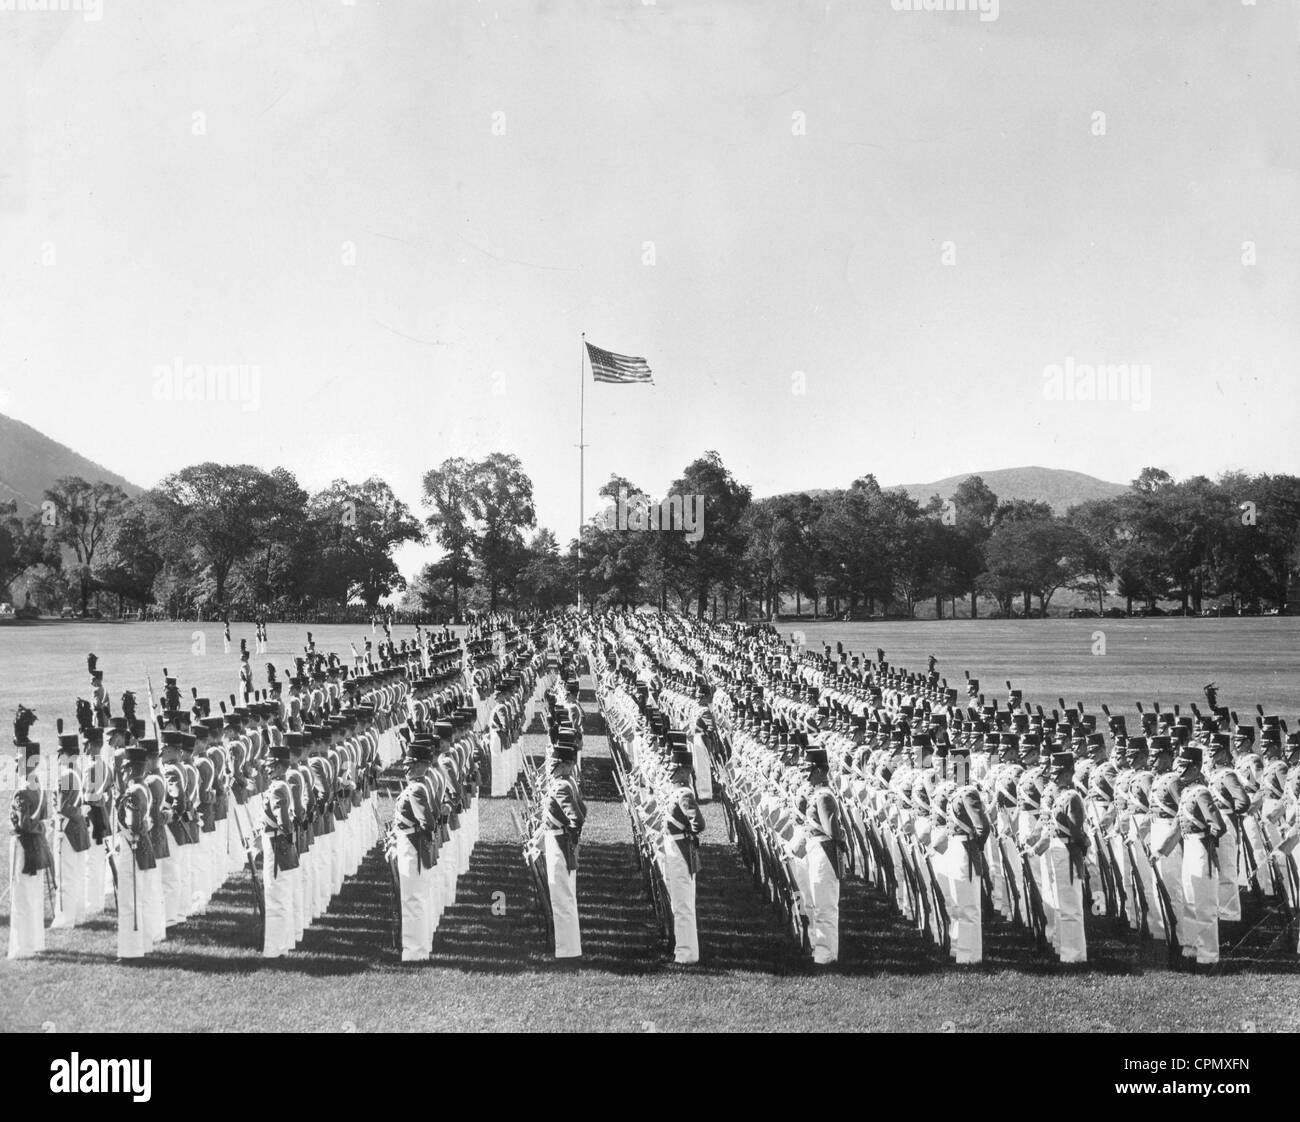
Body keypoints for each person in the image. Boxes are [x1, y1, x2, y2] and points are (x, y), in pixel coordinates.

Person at [1176, 745, 1227, 966]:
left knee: (1204, 903)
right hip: (1188, 846)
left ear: (1196, 768)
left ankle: (1208, 956)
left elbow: (1218, 825)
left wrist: (1210, 842)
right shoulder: (1187, 791)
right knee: (1189, 900)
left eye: (1185, 767)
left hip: (1200, 848)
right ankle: (1190, 948)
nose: (1180, 771)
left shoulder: (1201, 792)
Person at [8, 708, 51, 960]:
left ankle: (22, 948)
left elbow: (23, 824)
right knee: (33, 897)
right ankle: (35, 942)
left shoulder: (23, 791)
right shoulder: (38, 785)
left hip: (24, 846)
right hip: (37, 844)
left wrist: (14, 822)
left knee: (22, 898)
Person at [392, 736, 439, 962]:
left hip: (413, 846)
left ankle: (415, 952)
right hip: (413, 844)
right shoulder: (420, 785)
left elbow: (428, 822)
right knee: (416, 898)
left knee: (413, 900)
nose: (406, 768)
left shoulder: (417, 789)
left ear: (421, 765)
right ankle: (419, 948)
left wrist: (420, 836)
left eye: (411, 764)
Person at [1040, 751, 1088, 963]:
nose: (1054, 777)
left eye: (1059, 774)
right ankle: (1063, 948)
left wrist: (1084, 844)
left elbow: (1076, 831)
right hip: (1057, 849)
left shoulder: (1073, 797)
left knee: (1070, 906)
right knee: (1060, 903)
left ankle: (1074, 955)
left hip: (1068, 850)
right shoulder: (1060, 795)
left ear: (1069, 775)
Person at [663, 731, 705, 964]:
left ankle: (687, 953)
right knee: (677, 901)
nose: (671, 771)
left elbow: (698, 823)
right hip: (674, 847)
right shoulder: (678, 791)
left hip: (681, 849)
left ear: (684, 769)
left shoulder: (685, 793)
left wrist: (688, 833)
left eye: (675, 767)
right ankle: (682, 949)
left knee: (684, 903)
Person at [542, 734, 585, 959]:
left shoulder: (561, 786)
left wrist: (570, 833)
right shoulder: (568, 782)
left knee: (562, 897)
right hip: (561, 839)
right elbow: (582, 810)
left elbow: (577, 817)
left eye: (555, 762)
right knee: (563, 895)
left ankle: (568, 950)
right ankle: (568, 947)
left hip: (559, 841)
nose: (552, 766)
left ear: (566, 764)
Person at [803, 743, 844, 965]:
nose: (806, 776)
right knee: (818, 904)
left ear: (819, 771)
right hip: (817, 850)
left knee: (825, 907)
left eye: (808, 771)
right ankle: (822, 952)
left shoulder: (824, 796)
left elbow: (832, 831)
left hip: (824, 852)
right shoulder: (819, 793)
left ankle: (827, 955)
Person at [115, 743, 157, 960]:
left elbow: (133, 824)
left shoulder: (133, 791)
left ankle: (131, 951)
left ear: (131, 769)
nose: (121, 772)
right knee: (141, 898)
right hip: (142, 846)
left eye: (123, 768)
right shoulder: (145, 787)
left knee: (129, 900)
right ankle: (143, 944)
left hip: (132, 848)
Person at [260, 741, 300, 958]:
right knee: (281, 896)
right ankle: (282, 944)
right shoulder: (281, 785)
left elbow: (283, 821)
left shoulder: (277, 787)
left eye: (269, 764)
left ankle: (275, 949)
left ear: (277, 766)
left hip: (277, 845)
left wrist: (282, 834)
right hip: (279, 843)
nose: (266, 768)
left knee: (276, 898)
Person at [51, 723, 91, 930]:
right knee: (75, 875)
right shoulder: (77, 771)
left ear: (67, 753)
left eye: (61, 753)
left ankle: (65, 919)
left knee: (65, 876)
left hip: (67, 830)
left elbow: (64, 807)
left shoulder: (67, 775)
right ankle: (77, 915)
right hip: (78, 828)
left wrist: (55, 815)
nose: (59, 758)